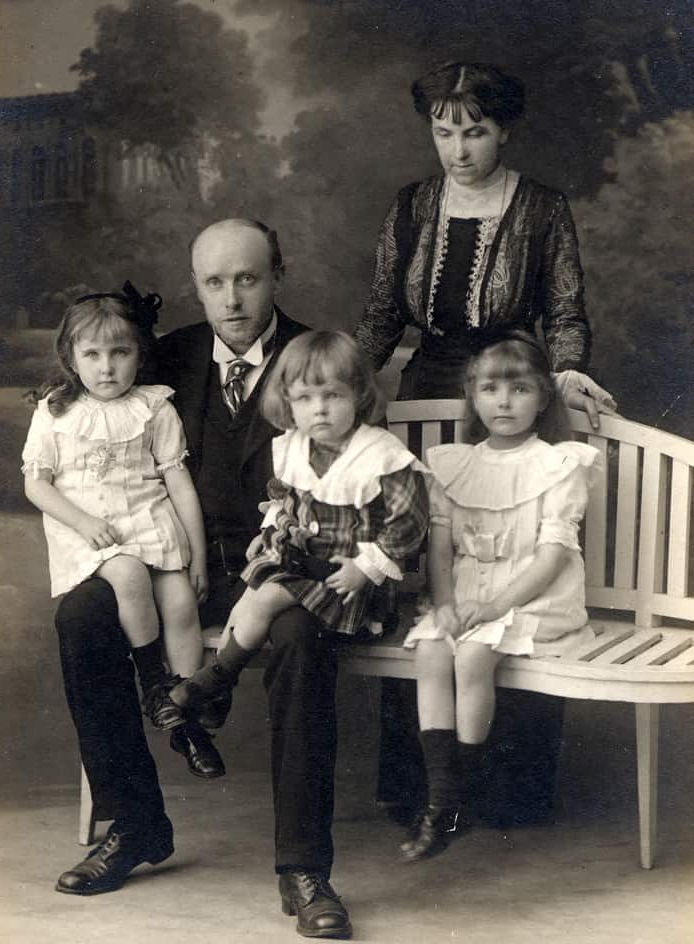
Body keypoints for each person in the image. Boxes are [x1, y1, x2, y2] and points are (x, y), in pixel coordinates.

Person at [51, 219, 357, 940]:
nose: (232, 297)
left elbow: (352, 467)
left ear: (277, 274)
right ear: (196, 287)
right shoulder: (170, 354)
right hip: (172, 560)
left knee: (299, 636)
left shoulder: (316, 358)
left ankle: (303, 867)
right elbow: (96, 387)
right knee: (81, 618)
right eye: (214, 282)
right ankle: (134, 825)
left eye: (247, 278)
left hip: (280, 565)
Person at [353, 61, 617, 826]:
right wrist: (343, 387)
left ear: (503, 130)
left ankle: (505, 795)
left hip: (509, 391)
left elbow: (566, 309)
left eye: (474, 131)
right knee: (431, 568)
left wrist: (565, 372)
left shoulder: (541, 208)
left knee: (512, 560)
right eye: (443, 132)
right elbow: (380, 314)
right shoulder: (411, 207)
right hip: (424, 395)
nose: (459, 149)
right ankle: (421, 792)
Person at [398, 329, 599, 861]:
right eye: (489, 389)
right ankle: (443, 801)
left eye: (519, 389)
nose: (503, 401)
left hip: (533, 594)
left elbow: (553, 556)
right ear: (472, 394)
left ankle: (457, 792)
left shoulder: (558, 464)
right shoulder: (455, 464)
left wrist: (492, 607)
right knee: (434, 650)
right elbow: (440, 549)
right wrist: (444, 603)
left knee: (474, 655)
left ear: (542, 398)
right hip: (465, 589)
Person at [170, 330, 429, 728]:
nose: (319, 410)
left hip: (348, 580)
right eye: (306, 398)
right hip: (305, 562)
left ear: (358, 396)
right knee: (255, 595)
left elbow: (410, 523)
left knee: (267, 596)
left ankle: (217, 676)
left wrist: (366, 568)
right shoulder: (295, 445)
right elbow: (288, 499)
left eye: (333, 396)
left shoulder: (380, 454)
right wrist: (272, 526)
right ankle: (218, 679)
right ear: (288, 401)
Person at [22, 287, 207, 734]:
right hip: (90, 530)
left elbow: (178, 484)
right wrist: (83, 522)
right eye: (93, 354)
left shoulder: (154, 406)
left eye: (120, 352)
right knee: (128, 574)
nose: (107, 367)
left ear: (140, 355)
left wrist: (196, 555)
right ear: (71, 357)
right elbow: (36, 485)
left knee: (181, 600)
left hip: (147, 523)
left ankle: (187, 719)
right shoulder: (55, 411)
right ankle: (154, 683)